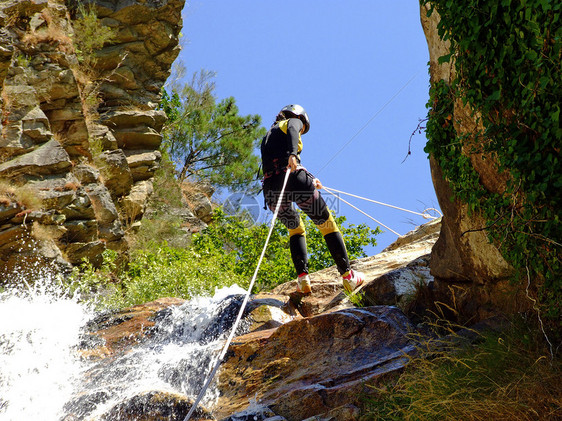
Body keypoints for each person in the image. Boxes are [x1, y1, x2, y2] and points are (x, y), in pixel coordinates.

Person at [260, 104, 365, 294]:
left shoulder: (267, 137)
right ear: (298, 116)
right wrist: (294, 154)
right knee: (326, 224)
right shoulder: (291, 121)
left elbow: (277, 162)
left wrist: (310, 177)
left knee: (296, 229)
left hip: (271, 191)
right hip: (293, 178)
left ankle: (302, 279)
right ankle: (348, 277)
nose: (300, 128)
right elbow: (292, 131)